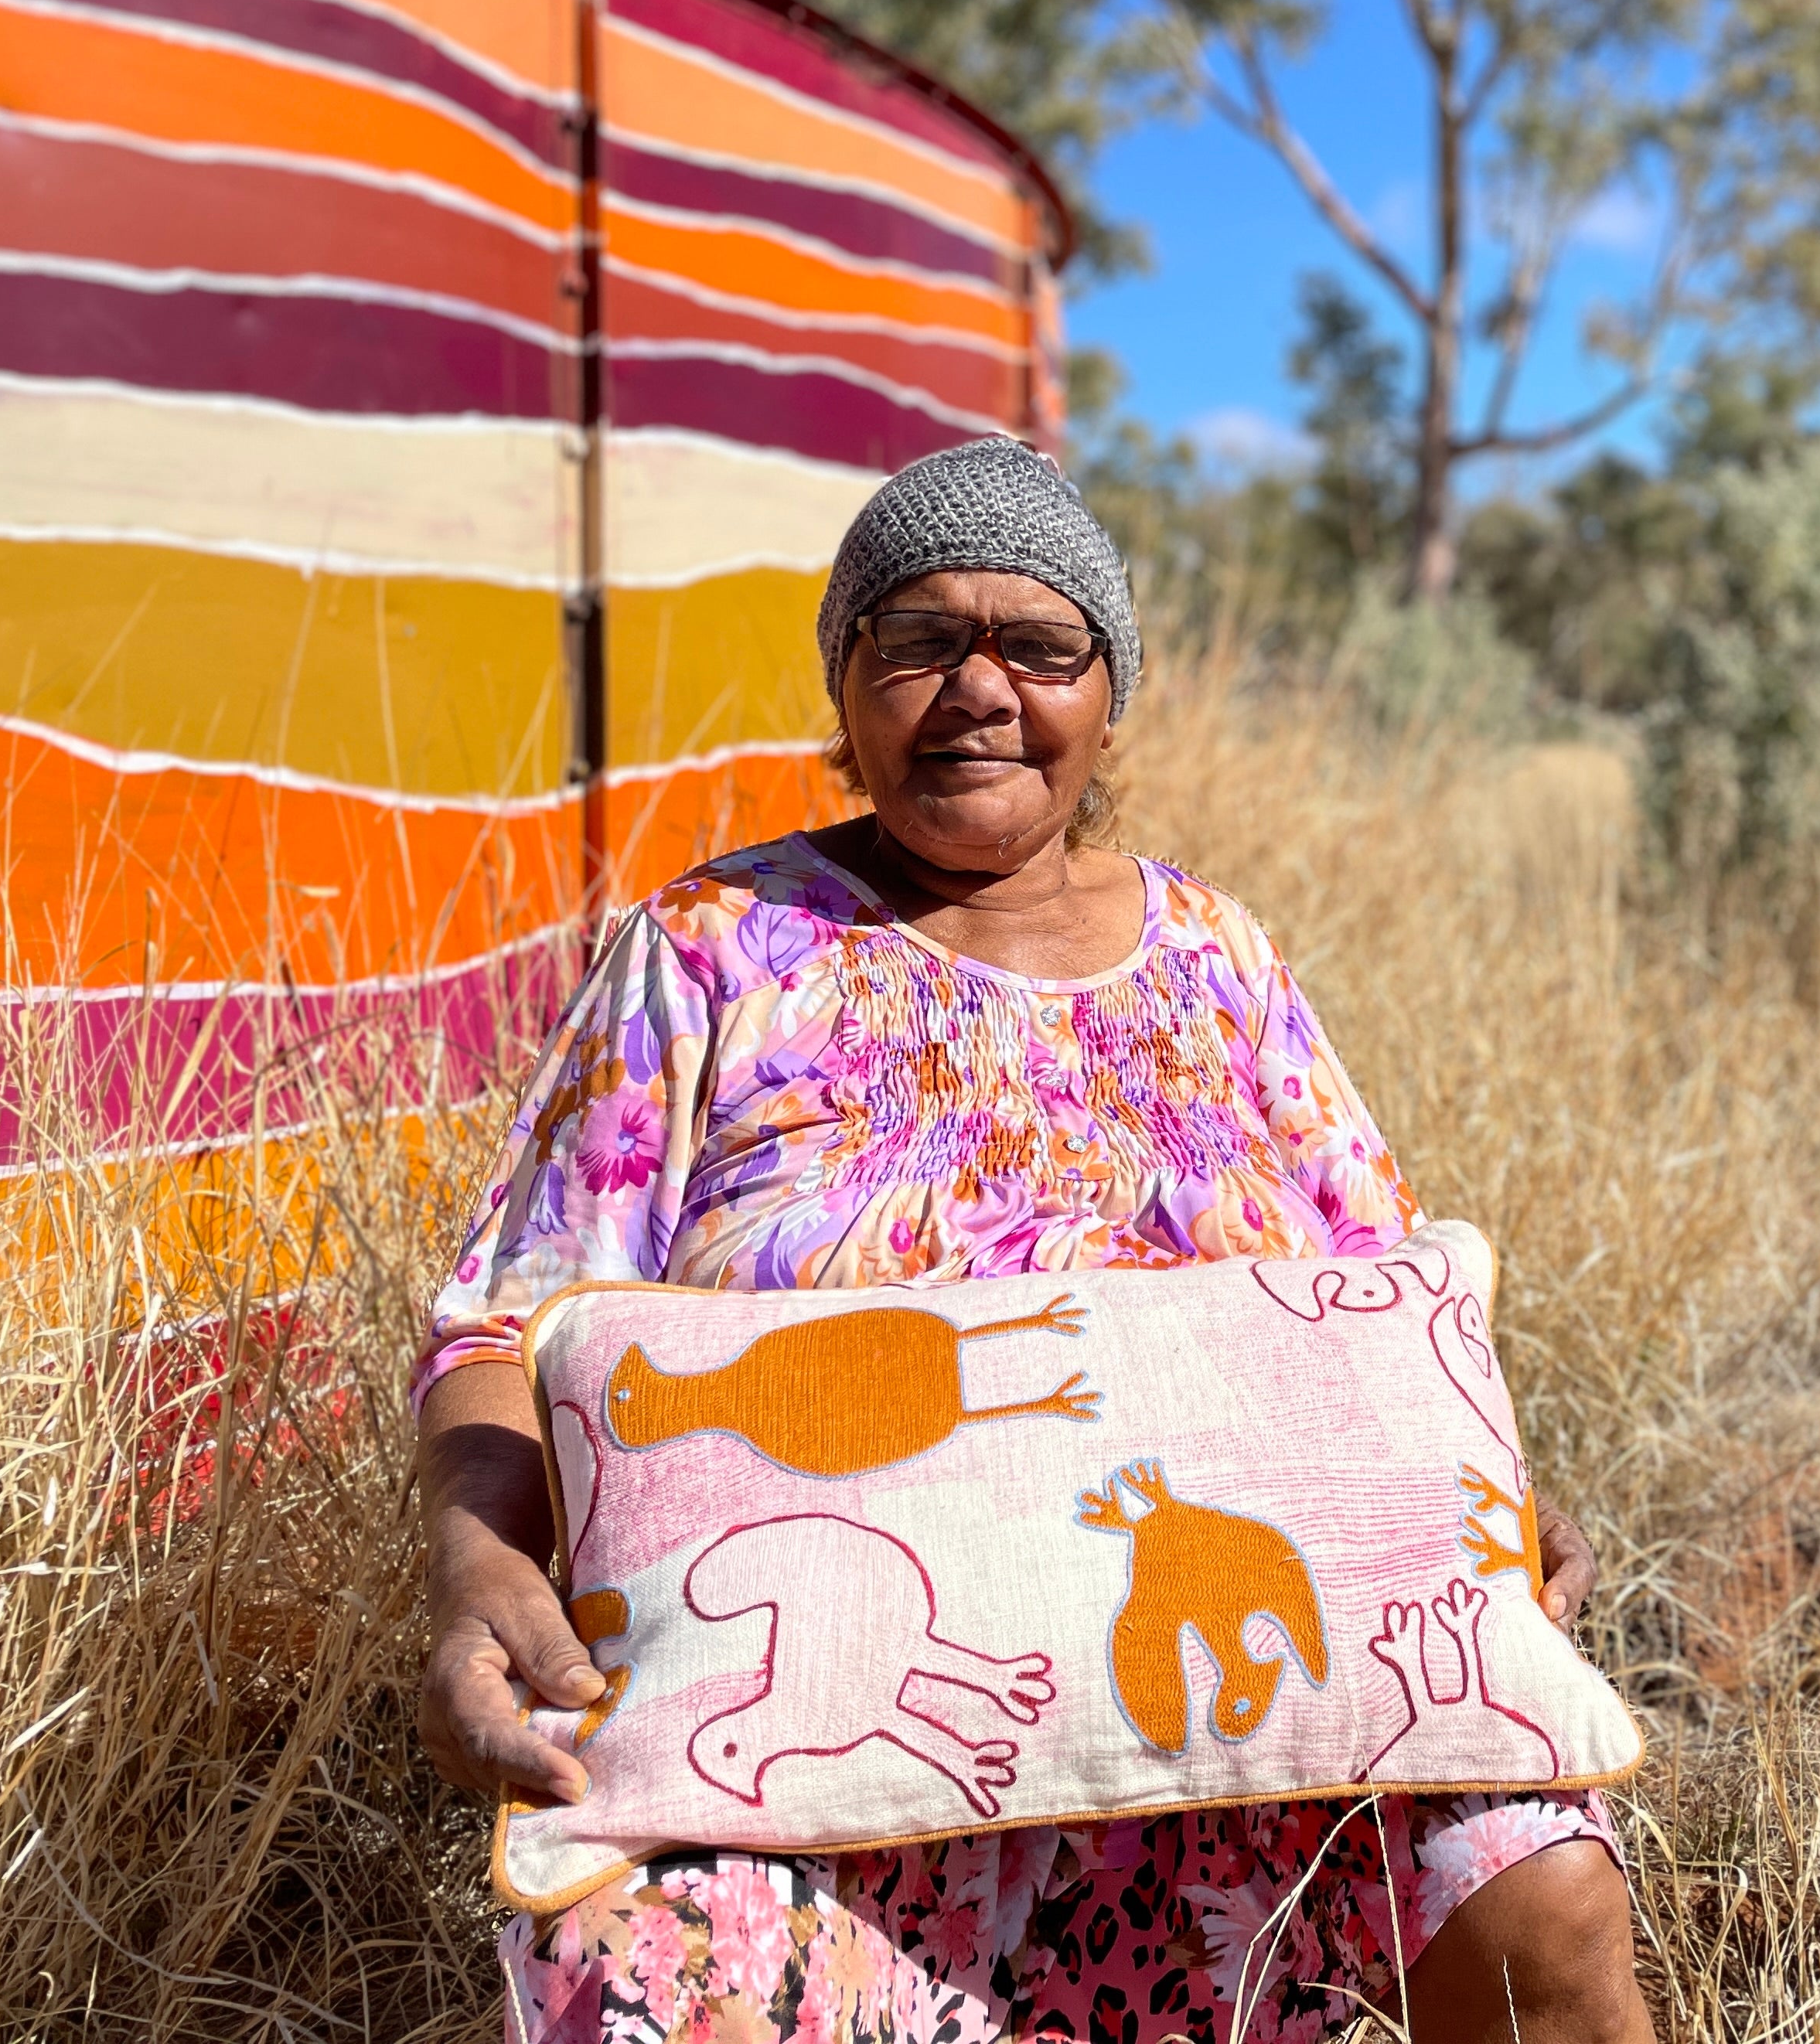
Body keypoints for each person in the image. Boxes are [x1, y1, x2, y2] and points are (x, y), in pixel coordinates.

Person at [414, 437, 1655, 2044]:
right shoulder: (709, 954)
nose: (979, 690)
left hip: (1258, 1735)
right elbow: (506, 1324)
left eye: (1041, 647)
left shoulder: (1218, 956)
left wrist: (1493, 1516)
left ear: (1108, 695)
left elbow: (1382, 1310)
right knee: (662, 1971)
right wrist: (474, 1567)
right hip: (833, 1756)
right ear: (848, 691)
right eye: (919, 641)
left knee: (1536, 1878)